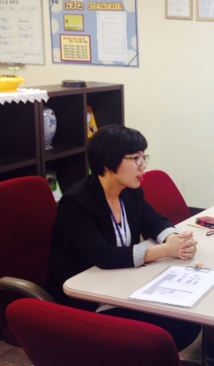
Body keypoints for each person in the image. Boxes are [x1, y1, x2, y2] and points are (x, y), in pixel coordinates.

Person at [47, 124, 201, 351]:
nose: (143, 165)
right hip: (87, 298)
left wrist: (174, 240)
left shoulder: (130, 192)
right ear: (108, 162)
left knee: (187, 317)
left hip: (120, 284)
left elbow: (155, 222)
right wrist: (165, 251)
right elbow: (104, 256)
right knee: (177, 326)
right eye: (135, 158)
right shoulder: (76, 204)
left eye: (143, 157)